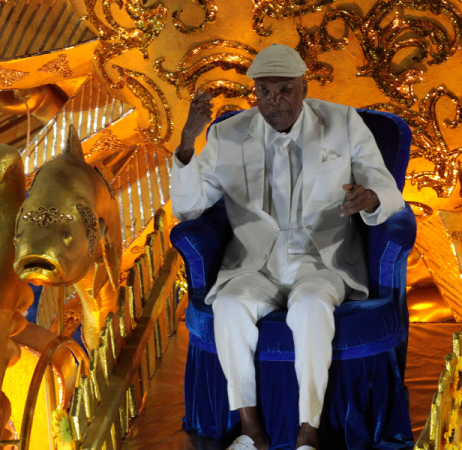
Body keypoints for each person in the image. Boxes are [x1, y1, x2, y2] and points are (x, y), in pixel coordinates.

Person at [169, 44, 406, 450]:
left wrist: (370, 198)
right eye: (264, 92)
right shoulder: (227, 134)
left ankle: (308, 430)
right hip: (254, 265)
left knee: (311, 306)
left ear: (304, 87)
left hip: (324, 262)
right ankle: (250, 429)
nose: (273, 101)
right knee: (228, 306)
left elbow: (384, 184)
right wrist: (188, 144)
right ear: (254, 93)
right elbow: (189, 208)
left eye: (285, 90)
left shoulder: (342, 122)